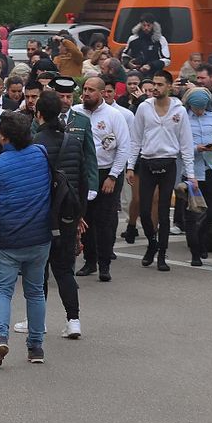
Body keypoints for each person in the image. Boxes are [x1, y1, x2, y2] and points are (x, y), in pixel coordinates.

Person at [0, 111, 54, 368]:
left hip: (7, 238)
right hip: (39, 236)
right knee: (35, 291)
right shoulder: (40, 154)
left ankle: (1, 336)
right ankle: (36, 346)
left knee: (2, 289)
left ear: (3, 137)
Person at [32, 92, 96, 339]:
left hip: (42, 215)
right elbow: (81, 179)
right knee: (65, 270)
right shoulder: (71, 140)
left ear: (38, 114)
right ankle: (74, 321)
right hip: (69, 214)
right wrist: (80, 214)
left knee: (38, 270)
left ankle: (37, 321)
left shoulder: (35, 142)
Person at [131, 70, 197, 270]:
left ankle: (161, 255)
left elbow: (186, 143)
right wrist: (129, 166)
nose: (156, 89)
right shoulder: (144, 107)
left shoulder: (179, 110)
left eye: (160, 85)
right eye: (154, 85)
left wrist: (191, 174)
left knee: (163, 210)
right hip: (147, 162)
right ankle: (152, 243)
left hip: (168, 162)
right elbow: (135, 139)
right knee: (144, 210)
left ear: (169, 86)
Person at [73, 77, 133, 282]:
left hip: (106, 173)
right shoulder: (76, 112)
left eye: (91, 90)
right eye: (84, 89)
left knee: (104, 221)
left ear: (101, 93)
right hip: (84, 175)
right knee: (86, 219)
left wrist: (113, 176)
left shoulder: (114, 116)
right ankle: (90, 261)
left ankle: (104, 264)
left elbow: (124, 147)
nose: (86, 93)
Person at [183, 88, 212, 267]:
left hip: (209, 169)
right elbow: (180, 145)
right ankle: (195, 252)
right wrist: (195, 148)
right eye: (195, 108)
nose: (199, 111)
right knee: (192, 215)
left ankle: (201, 236)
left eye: (201, 108)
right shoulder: (183, 119)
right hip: (191, 172)